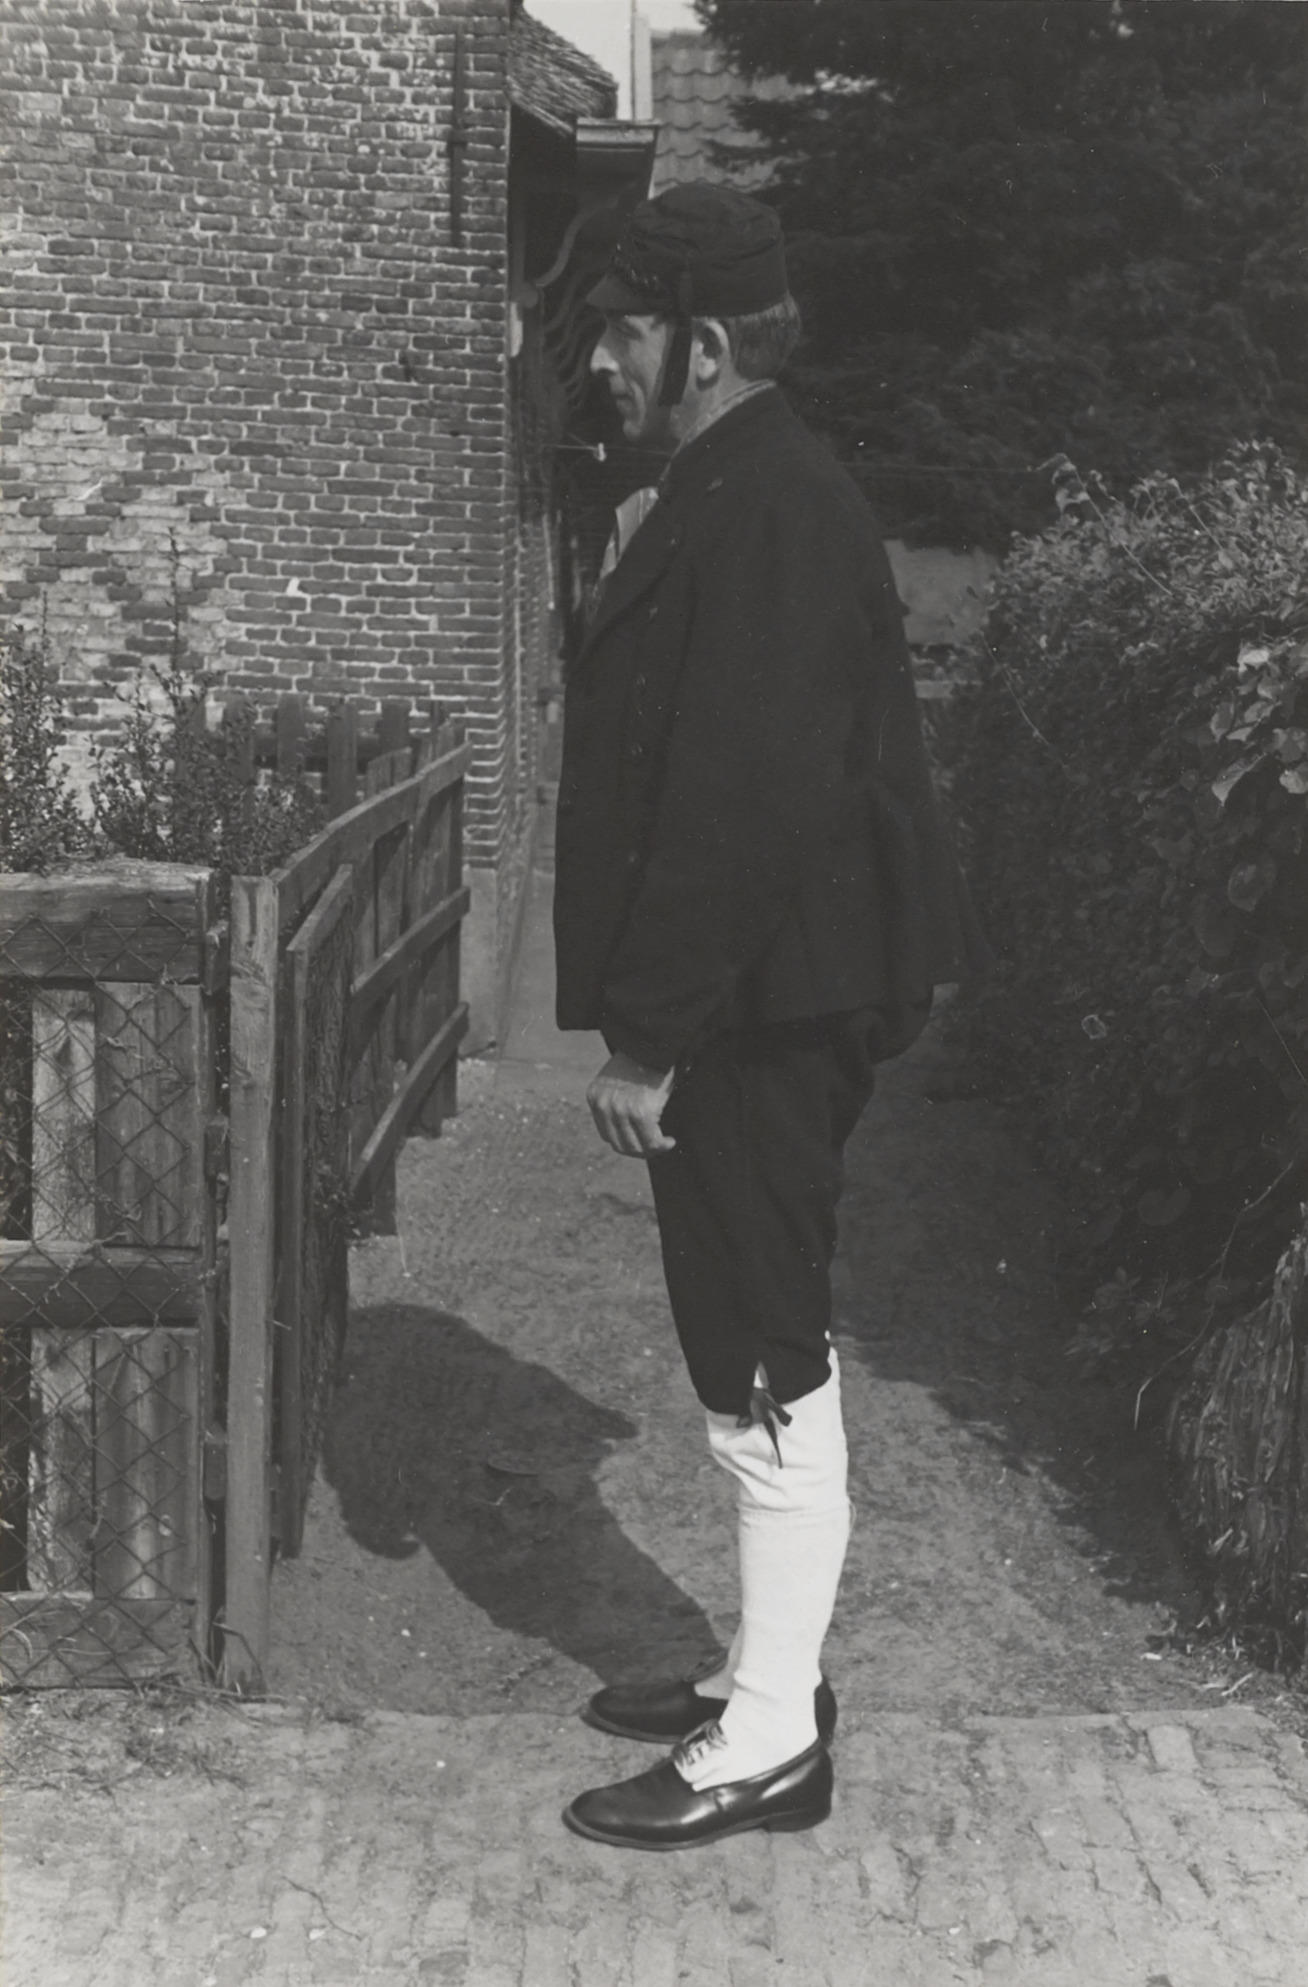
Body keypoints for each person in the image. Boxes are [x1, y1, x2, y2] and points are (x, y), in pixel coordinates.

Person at [553, 181, 988, 1852]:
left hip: (762, 1009)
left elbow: (746, 798)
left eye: (624, 330)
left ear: (709, 345)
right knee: (745, 1324)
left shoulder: (776, 504)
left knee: (761, 1343)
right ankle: (769, 1675)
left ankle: (769, 1745)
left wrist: (649, 1037)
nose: (600, 360)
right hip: (761, 995)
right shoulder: (729, 485)